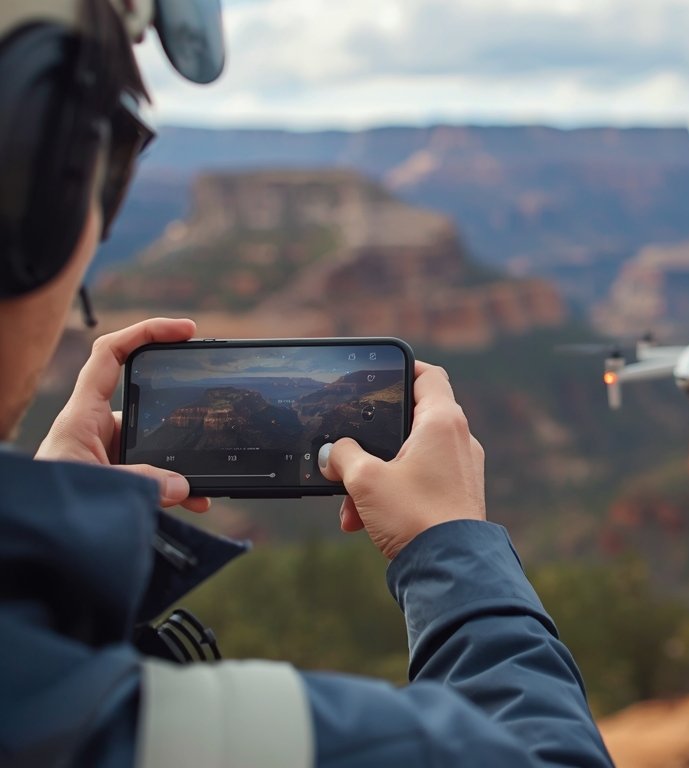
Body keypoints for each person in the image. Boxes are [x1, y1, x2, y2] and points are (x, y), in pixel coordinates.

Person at [0, 1, 614, 766]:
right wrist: (452, 549)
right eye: (108, 156)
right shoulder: (247, 744)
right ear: (40, 191)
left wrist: (45, 573)